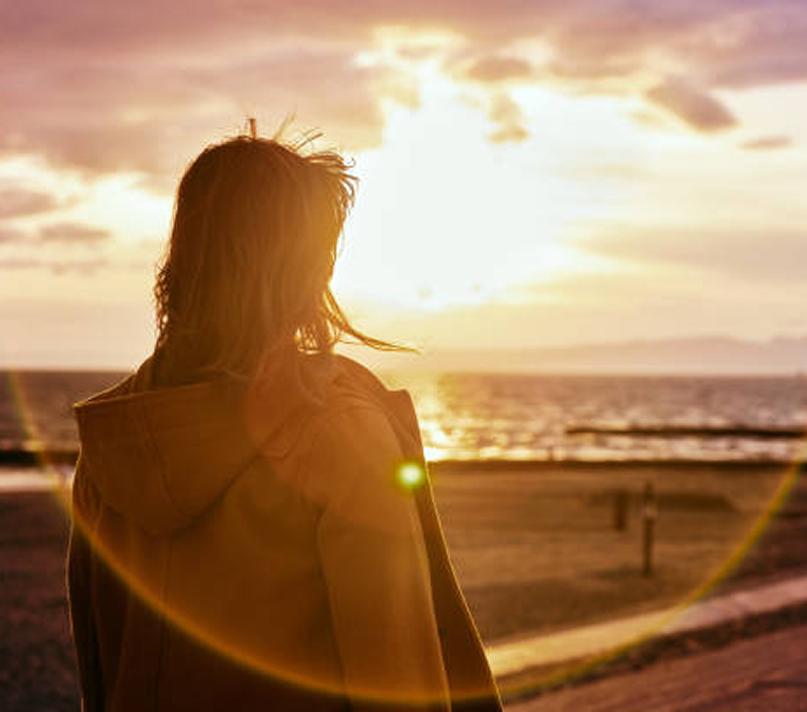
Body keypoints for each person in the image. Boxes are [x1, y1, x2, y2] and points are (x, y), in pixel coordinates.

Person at [67, 126, 503, 711]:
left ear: (185, 259)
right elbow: (398, 681)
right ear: (306, 270)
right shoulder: (337, 433)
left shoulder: (115, 442)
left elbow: (100, 671)